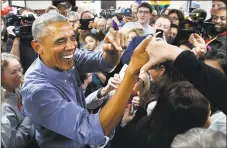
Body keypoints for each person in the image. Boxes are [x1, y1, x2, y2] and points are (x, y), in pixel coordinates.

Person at [20, 13, 151, 148]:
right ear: (37, 47)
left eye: (72, 38)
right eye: (60, 41)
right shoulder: (37, 91)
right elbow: (93, 131)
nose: (71, 46)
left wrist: (112, 50)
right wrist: (131, 73)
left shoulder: (66, 56)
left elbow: (104, 63)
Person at [1, 53, 35, 148]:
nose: (19, 75)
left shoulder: (17, 88)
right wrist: (30, 114)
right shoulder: (4, 107)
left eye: (20, 70)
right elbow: (13, 144)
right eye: (13, 72)